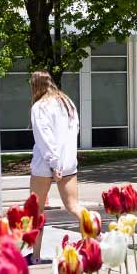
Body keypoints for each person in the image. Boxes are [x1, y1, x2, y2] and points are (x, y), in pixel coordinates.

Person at [28, 71, 82, 251]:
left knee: (36, 211)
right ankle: (94, 239)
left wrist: (53, 163)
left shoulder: (39, 107)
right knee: (74, 206)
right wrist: (64, 160)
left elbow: (44, 137)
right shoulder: (67, 103)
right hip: (68, 163)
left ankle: (35, 255)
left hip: (45, 165)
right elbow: (74, 131)